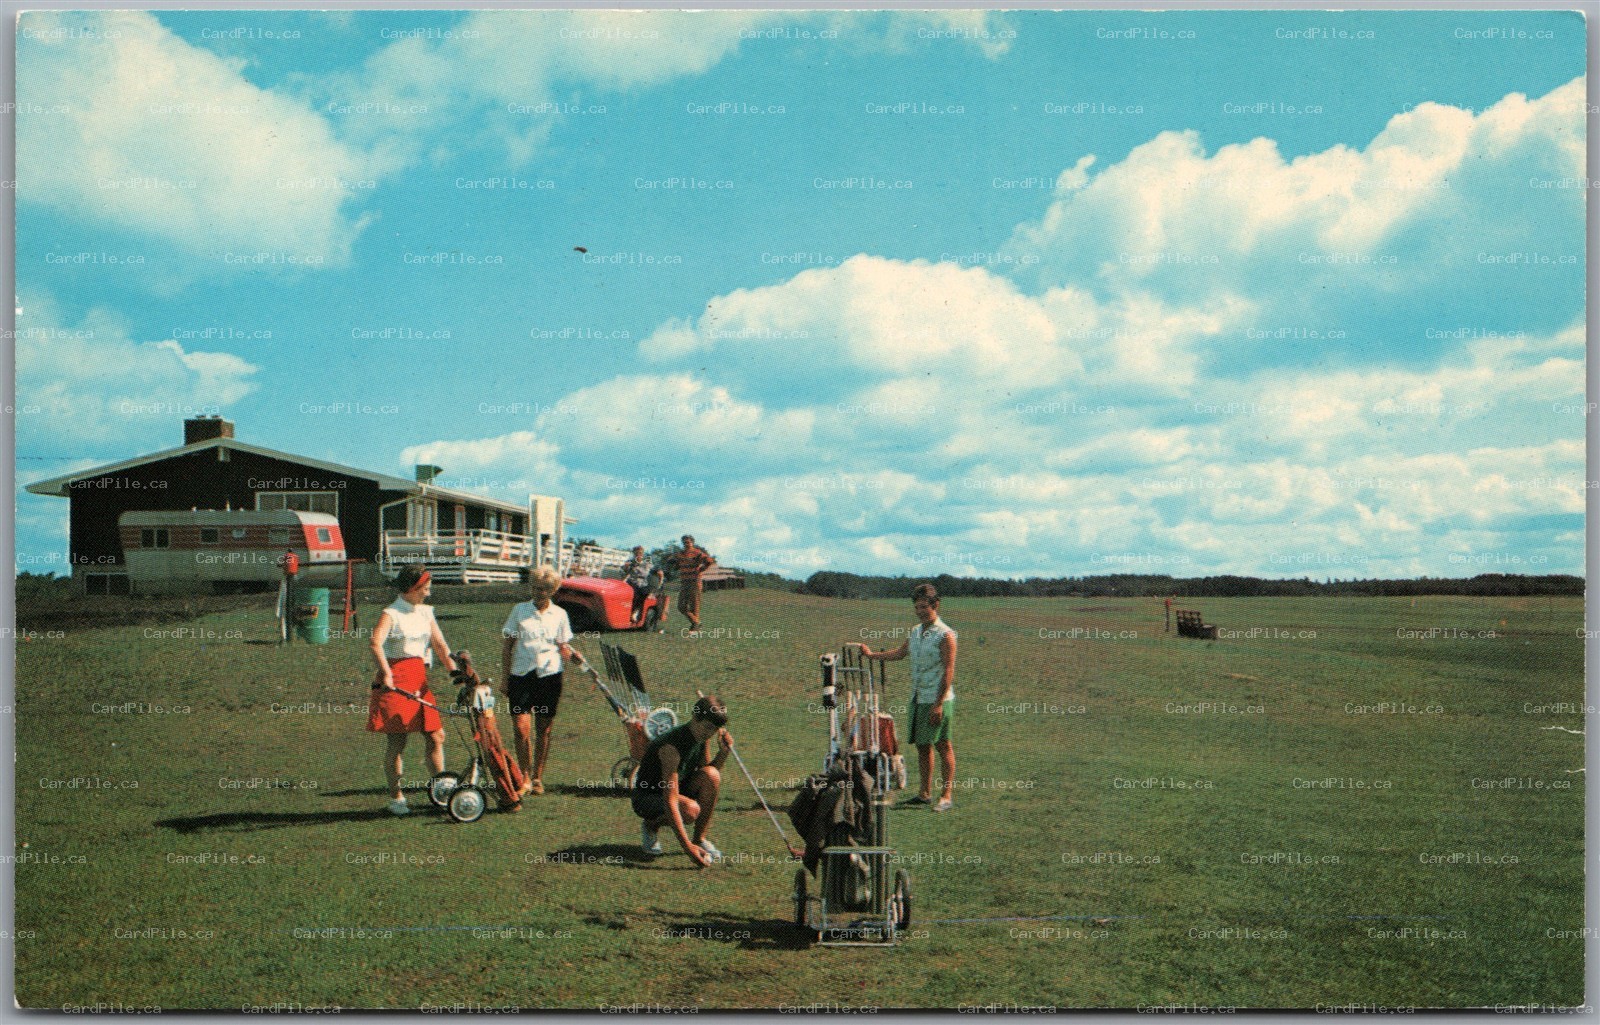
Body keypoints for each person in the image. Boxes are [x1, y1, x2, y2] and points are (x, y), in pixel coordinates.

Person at [856, 582, 958, 812]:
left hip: (938, 699)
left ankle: (946, 796)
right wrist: (872, 655)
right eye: (917, 607)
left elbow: (949, 671)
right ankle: (924, 794)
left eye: (925, 607)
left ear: (936, 605)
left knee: (943, 745)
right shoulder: (915, 631)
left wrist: (939, 704)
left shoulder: (946, 635)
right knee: (923, 746)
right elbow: (901, 653)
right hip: (918, 697)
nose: (920, 611)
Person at [367, 566, 456, 815]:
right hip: (394, 681)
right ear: (411, 589)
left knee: (436, 735)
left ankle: (442, 790)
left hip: (419, 678)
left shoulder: (426, 612)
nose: (428, 594)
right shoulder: (391, 613)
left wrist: (455, 671)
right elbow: (375, 643)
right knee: (397, 741)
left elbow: (439, 645)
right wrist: (385, 672)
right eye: (424, 589)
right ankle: (396, 798)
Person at [501, 565, 587, 796]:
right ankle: (524, 776)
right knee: (521, 729)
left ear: (553, 591)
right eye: (535, 588)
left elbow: (563, 646)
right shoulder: (519, 611)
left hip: (549, 677)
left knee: (544, 729)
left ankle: (537, 776)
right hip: (520, 676)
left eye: (544, 590)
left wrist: (575, 657)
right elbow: (508, 646)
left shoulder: (560, 615)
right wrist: (505, 678)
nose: (538, 593)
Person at [631, 695, 733, 866]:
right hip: (647, 797)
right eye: (707, 727)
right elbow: (670, 799)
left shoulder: (701, 738)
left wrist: (723, 753)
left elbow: (706, 774)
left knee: (712, 775)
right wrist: (687, 848)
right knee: (690, 810)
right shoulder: (671, 748)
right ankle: (650, 825)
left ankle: (699, 839)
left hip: (678, 790)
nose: (710, 733)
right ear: (695, 717)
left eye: (714, 730)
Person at [672, 535, 715, 632]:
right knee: (681, 606)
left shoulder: (697, 553)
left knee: (694, 605)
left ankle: (695, 627)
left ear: (692, 543)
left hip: (695, 581)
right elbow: (674, 563)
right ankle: (696, 622)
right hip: (684, 581)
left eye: (688, 542)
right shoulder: (680, 554)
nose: (686, 544)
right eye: (684, 542)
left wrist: (702, 569)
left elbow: (709, 561)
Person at [622, 545, 664, 626]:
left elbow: (659, 571)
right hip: (631, 581)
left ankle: (635, 612)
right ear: (634, 553)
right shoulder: (631, 561)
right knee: (632, 592)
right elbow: (624, 570)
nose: (638, 554)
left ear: (643, 553)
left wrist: (660, 580)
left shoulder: (647, 561)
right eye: (636, 553)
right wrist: (626, 567)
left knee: (643, 592)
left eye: (640, 553)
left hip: (643, 582)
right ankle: (627, 613)